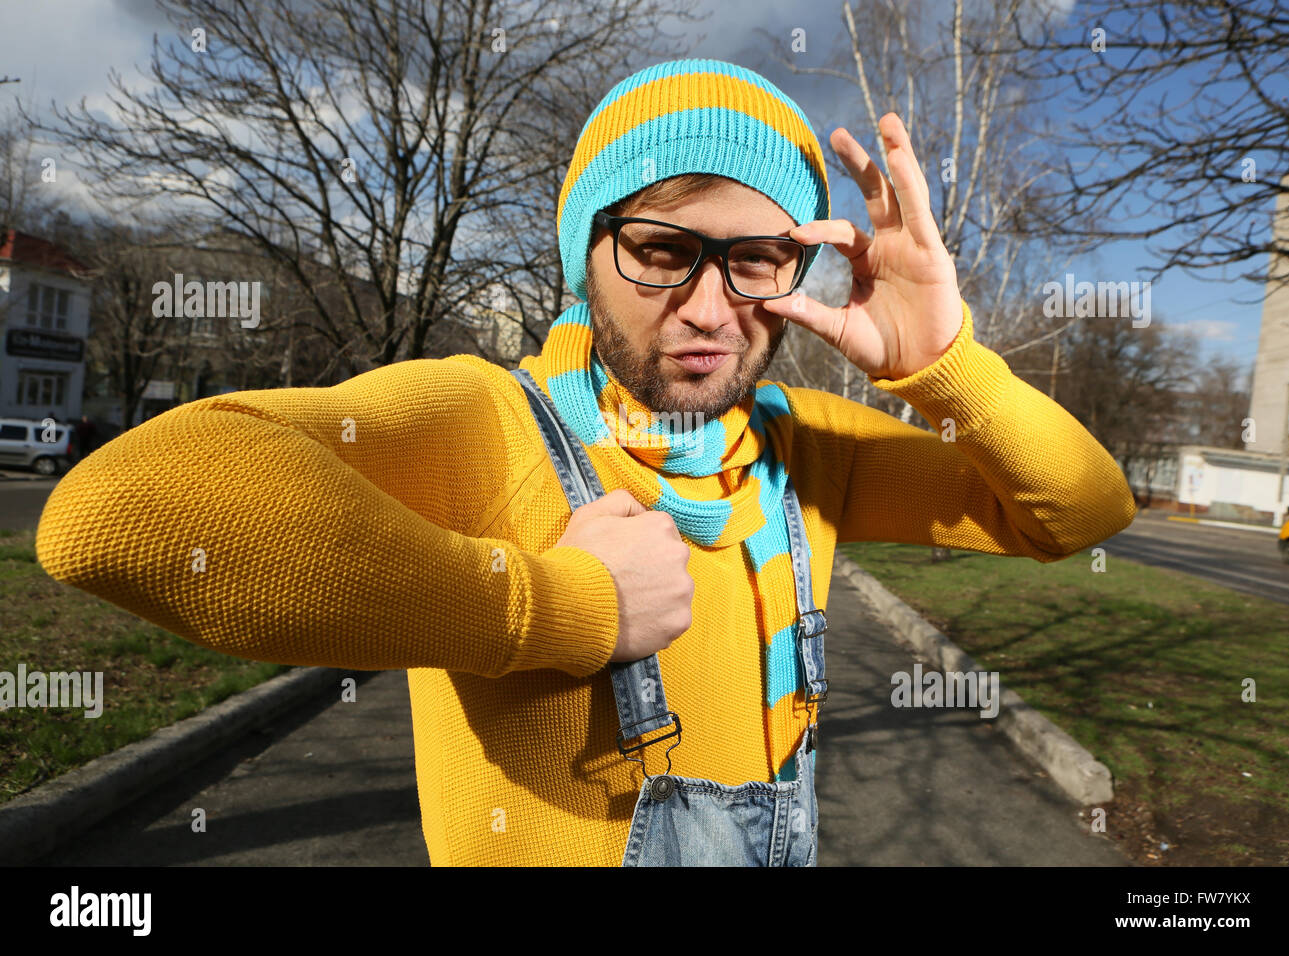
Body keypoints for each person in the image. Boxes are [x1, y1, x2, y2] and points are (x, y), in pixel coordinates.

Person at [34, 58, 1136, 866]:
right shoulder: (489, 422)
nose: (709, 308)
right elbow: (118, 511)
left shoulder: (807, 449)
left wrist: (945, 365)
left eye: (753, 259)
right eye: (660, 249)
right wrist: (554, 606)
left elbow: (1078, 510)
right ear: (583, 255)